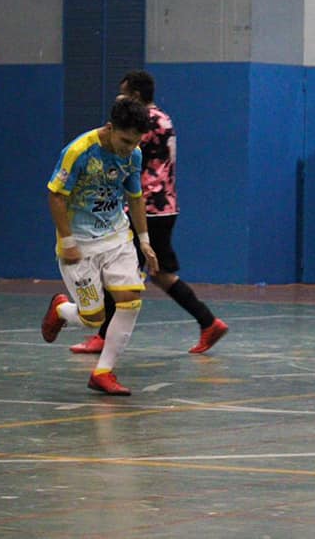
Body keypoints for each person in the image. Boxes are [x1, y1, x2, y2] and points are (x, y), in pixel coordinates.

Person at [68, 70, 229, 355]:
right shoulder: (164, 118)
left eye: (124, 94)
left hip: (147, 206)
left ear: (136, 96)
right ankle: (208, 322)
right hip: (166, 205)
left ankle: (103, 336)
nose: (120, 99)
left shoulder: (143, 123)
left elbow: (118, 152)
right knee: (160, 273)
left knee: (117, 273)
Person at [41, 97, 159, 395]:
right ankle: (61, 309)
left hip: (116, 236)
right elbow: (56, 196)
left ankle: (103, 372)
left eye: (136, 142)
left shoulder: (133, 155)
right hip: (79, 243)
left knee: (130, 300)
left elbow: (135, 198)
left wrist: (145, 242)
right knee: (93, 319)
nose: (130, 148)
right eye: (125, 141)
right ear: (110, 128)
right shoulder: (79, 152)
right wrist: (68, 241)